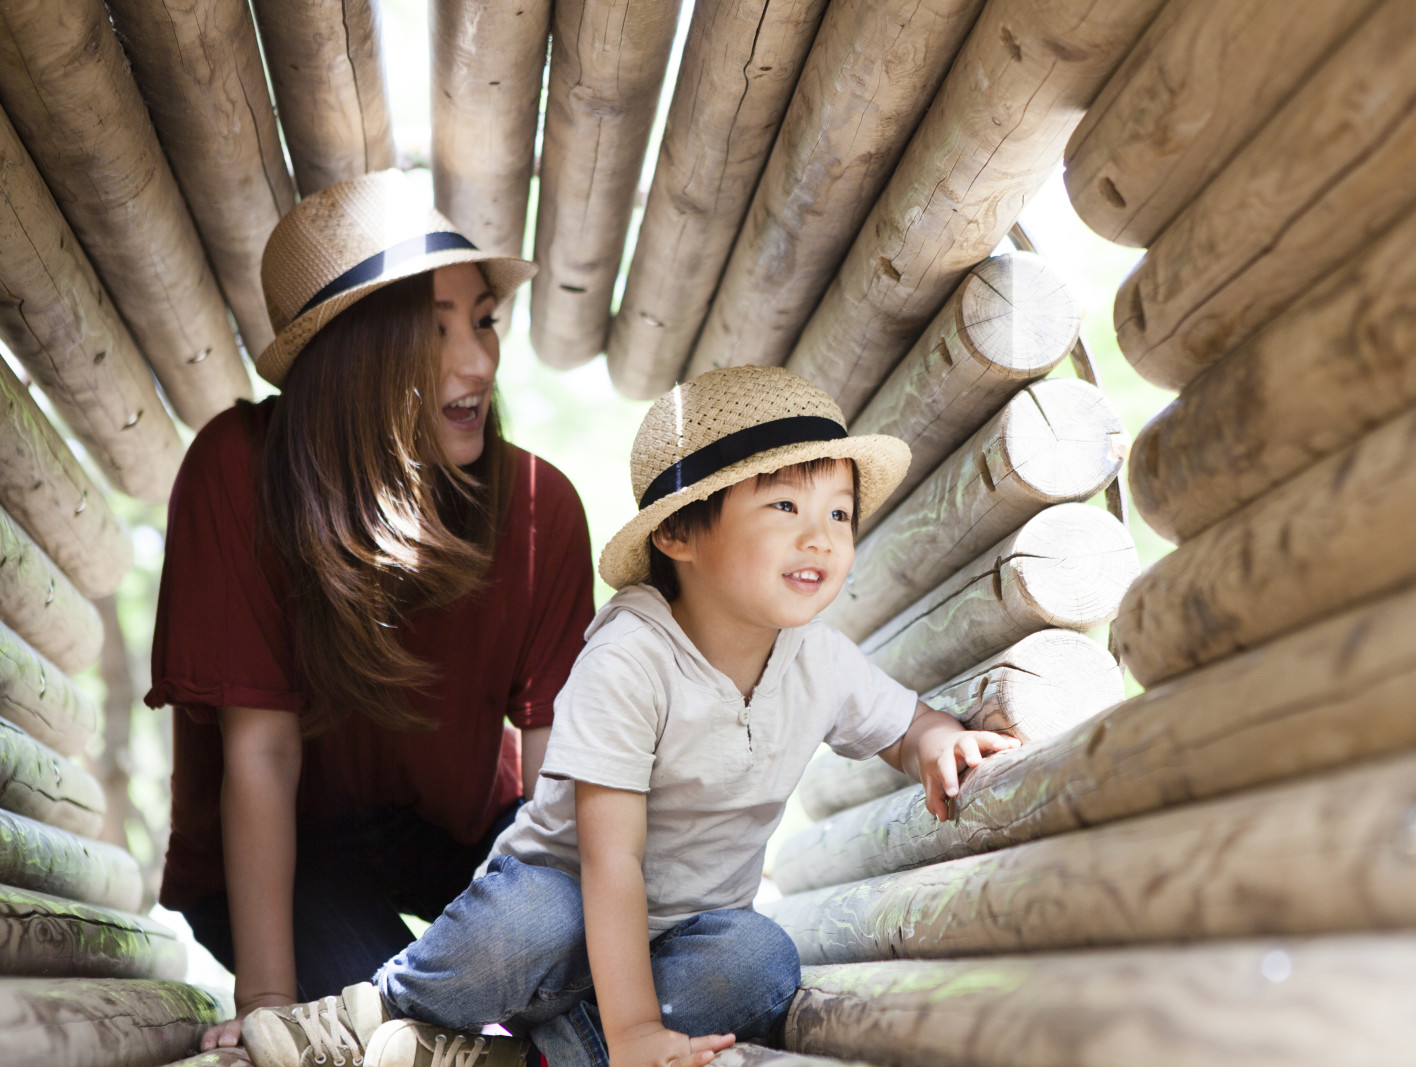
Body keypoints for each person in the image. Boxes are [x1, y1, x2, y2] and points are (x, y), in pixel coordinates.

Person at [239, 365, 1020, 1067]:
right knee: (533, 914)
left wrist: (936, 741)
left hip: (677, 944)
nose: (820, 535)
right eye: (784, 503)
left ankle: (528, 1061)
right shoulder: (630, 658)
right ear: (679, 531)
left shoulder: (818, 656)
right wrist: (639, 1031)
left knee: (759, 959)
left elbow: (900, 724)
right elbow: (611, 864)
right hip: (563, 913)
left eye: (840, 513)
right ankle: (373, 1010)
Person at [145, 170, 595, 1053]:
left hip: (465, 846)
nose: (478, 361)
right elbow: (262, 755)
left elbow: (556, 806)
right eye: (433, 330)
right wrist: (270, 996)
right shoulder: (237, 468)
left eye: (482, 319)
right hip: (285, 855)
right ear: (353, 355)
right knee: (386, 1033)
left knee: (591, 897)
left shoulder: (543, 506)